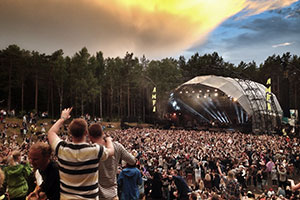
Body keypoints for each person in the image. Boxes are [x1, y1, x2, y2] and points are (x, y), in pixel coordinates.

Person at [47, 108, 114, 199]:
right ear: (86, 132)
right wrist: (109, 140)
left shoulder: (62, 149)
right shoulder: (95, 150)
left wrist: (63, 118)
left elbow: (51, 132)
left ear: (70, 133)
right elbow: (111, 151)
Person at [88, 123, 135, 200]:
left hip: (96, 194)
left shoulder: (89, 150)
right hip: (112, 194)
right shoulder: (117, 146)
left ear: (90, 136)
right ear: (103, 133)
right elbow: (132, 161)